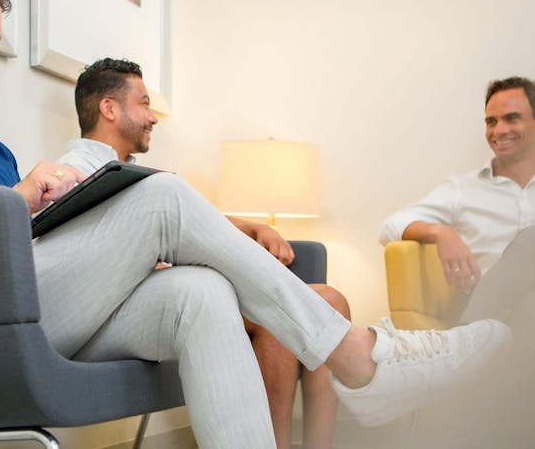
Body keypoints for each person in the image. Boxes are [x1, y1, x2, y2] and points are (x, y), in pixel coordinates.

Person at [0, 0, 511, 449]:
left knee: (199, 293)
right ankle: (358, 359)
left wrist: (45, 211)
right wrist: (17, 203)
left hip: (27, 307)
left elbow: (16, 244)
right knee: (162, 198)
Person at [56, 57, 351, 449]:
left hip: (178, 288)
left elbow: (196, 221)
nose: (153, 117)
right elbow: (88, 265)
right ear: (109, 108)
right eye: (144, 103)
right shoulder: (71, 174)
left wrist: (253, 226)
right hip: (129, 310)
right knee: (273, 320)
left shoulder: (132, 174)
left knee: (332, 300)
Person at [380, 76, 535, 325]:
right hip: (485, 310)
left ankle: (465, 348)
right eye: (491, 121)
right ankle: (471, 338)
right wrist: (439, 231)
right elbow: (390, 227)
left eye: (512, 118)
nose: (499, 130)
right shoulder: (463, 189)